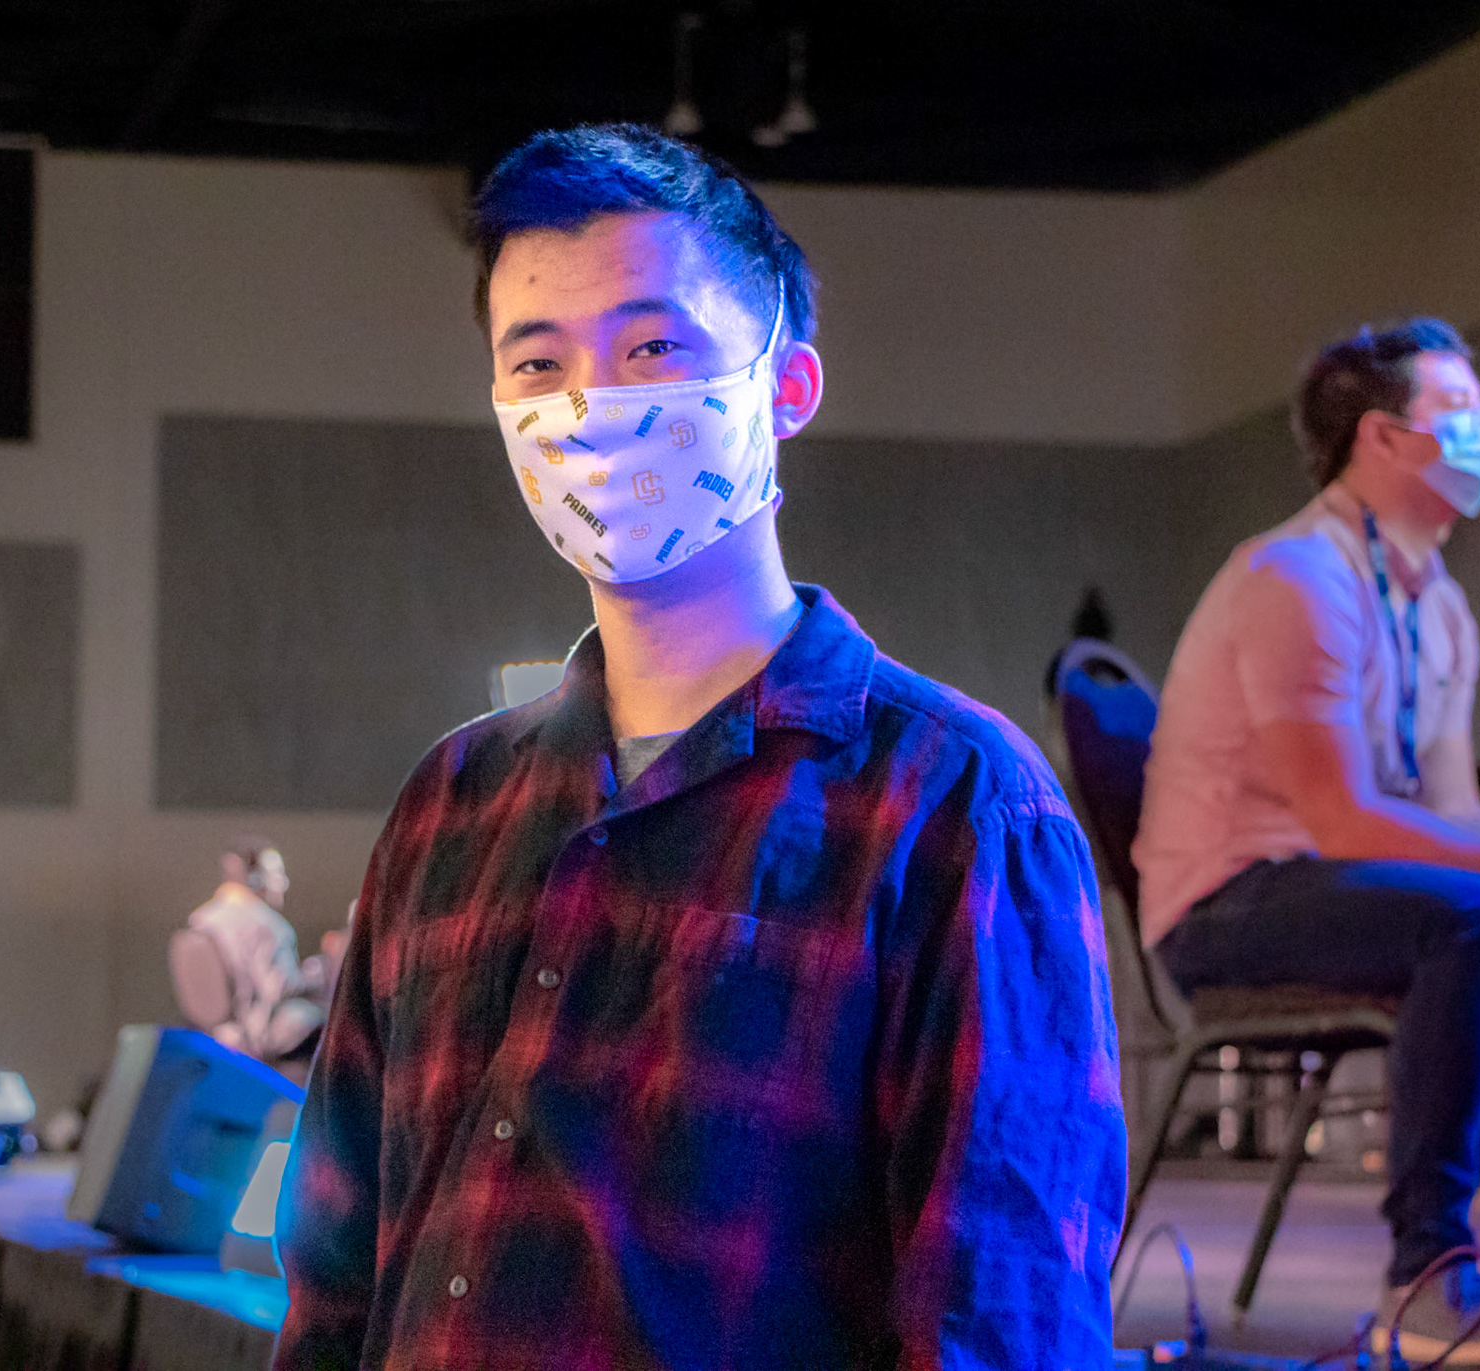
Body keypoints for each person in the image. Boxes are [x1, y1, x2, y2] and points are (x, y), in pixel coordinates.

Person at [272, 124, 1125, 1369]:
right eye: (537, 361)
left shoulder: (954, 805)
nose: (591, 404)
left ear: (786, 387)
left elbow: (1003, 1320)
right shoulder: (453, 800)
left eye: (654, 348)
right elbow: (336, 1270)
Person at [1133, 318, 1480, 1364]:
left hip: (1344, 884)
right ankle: (1426, 1273)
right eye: (1461, 409)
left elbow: (1454, 811)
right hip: (1229, 903)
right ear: (1382, 439)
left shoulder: (1440, 606)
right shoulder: (1298, 577)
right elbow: (1342, 818)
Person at [173, 836, 327, 1065]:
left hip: (213, 1038)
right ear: (256, 879)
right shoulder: (267, 925)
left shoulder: (200, 919)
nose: (284, 883)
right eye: (277, 875)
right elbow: (277, 989)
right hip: (254, 1041)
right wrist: (318, 976)